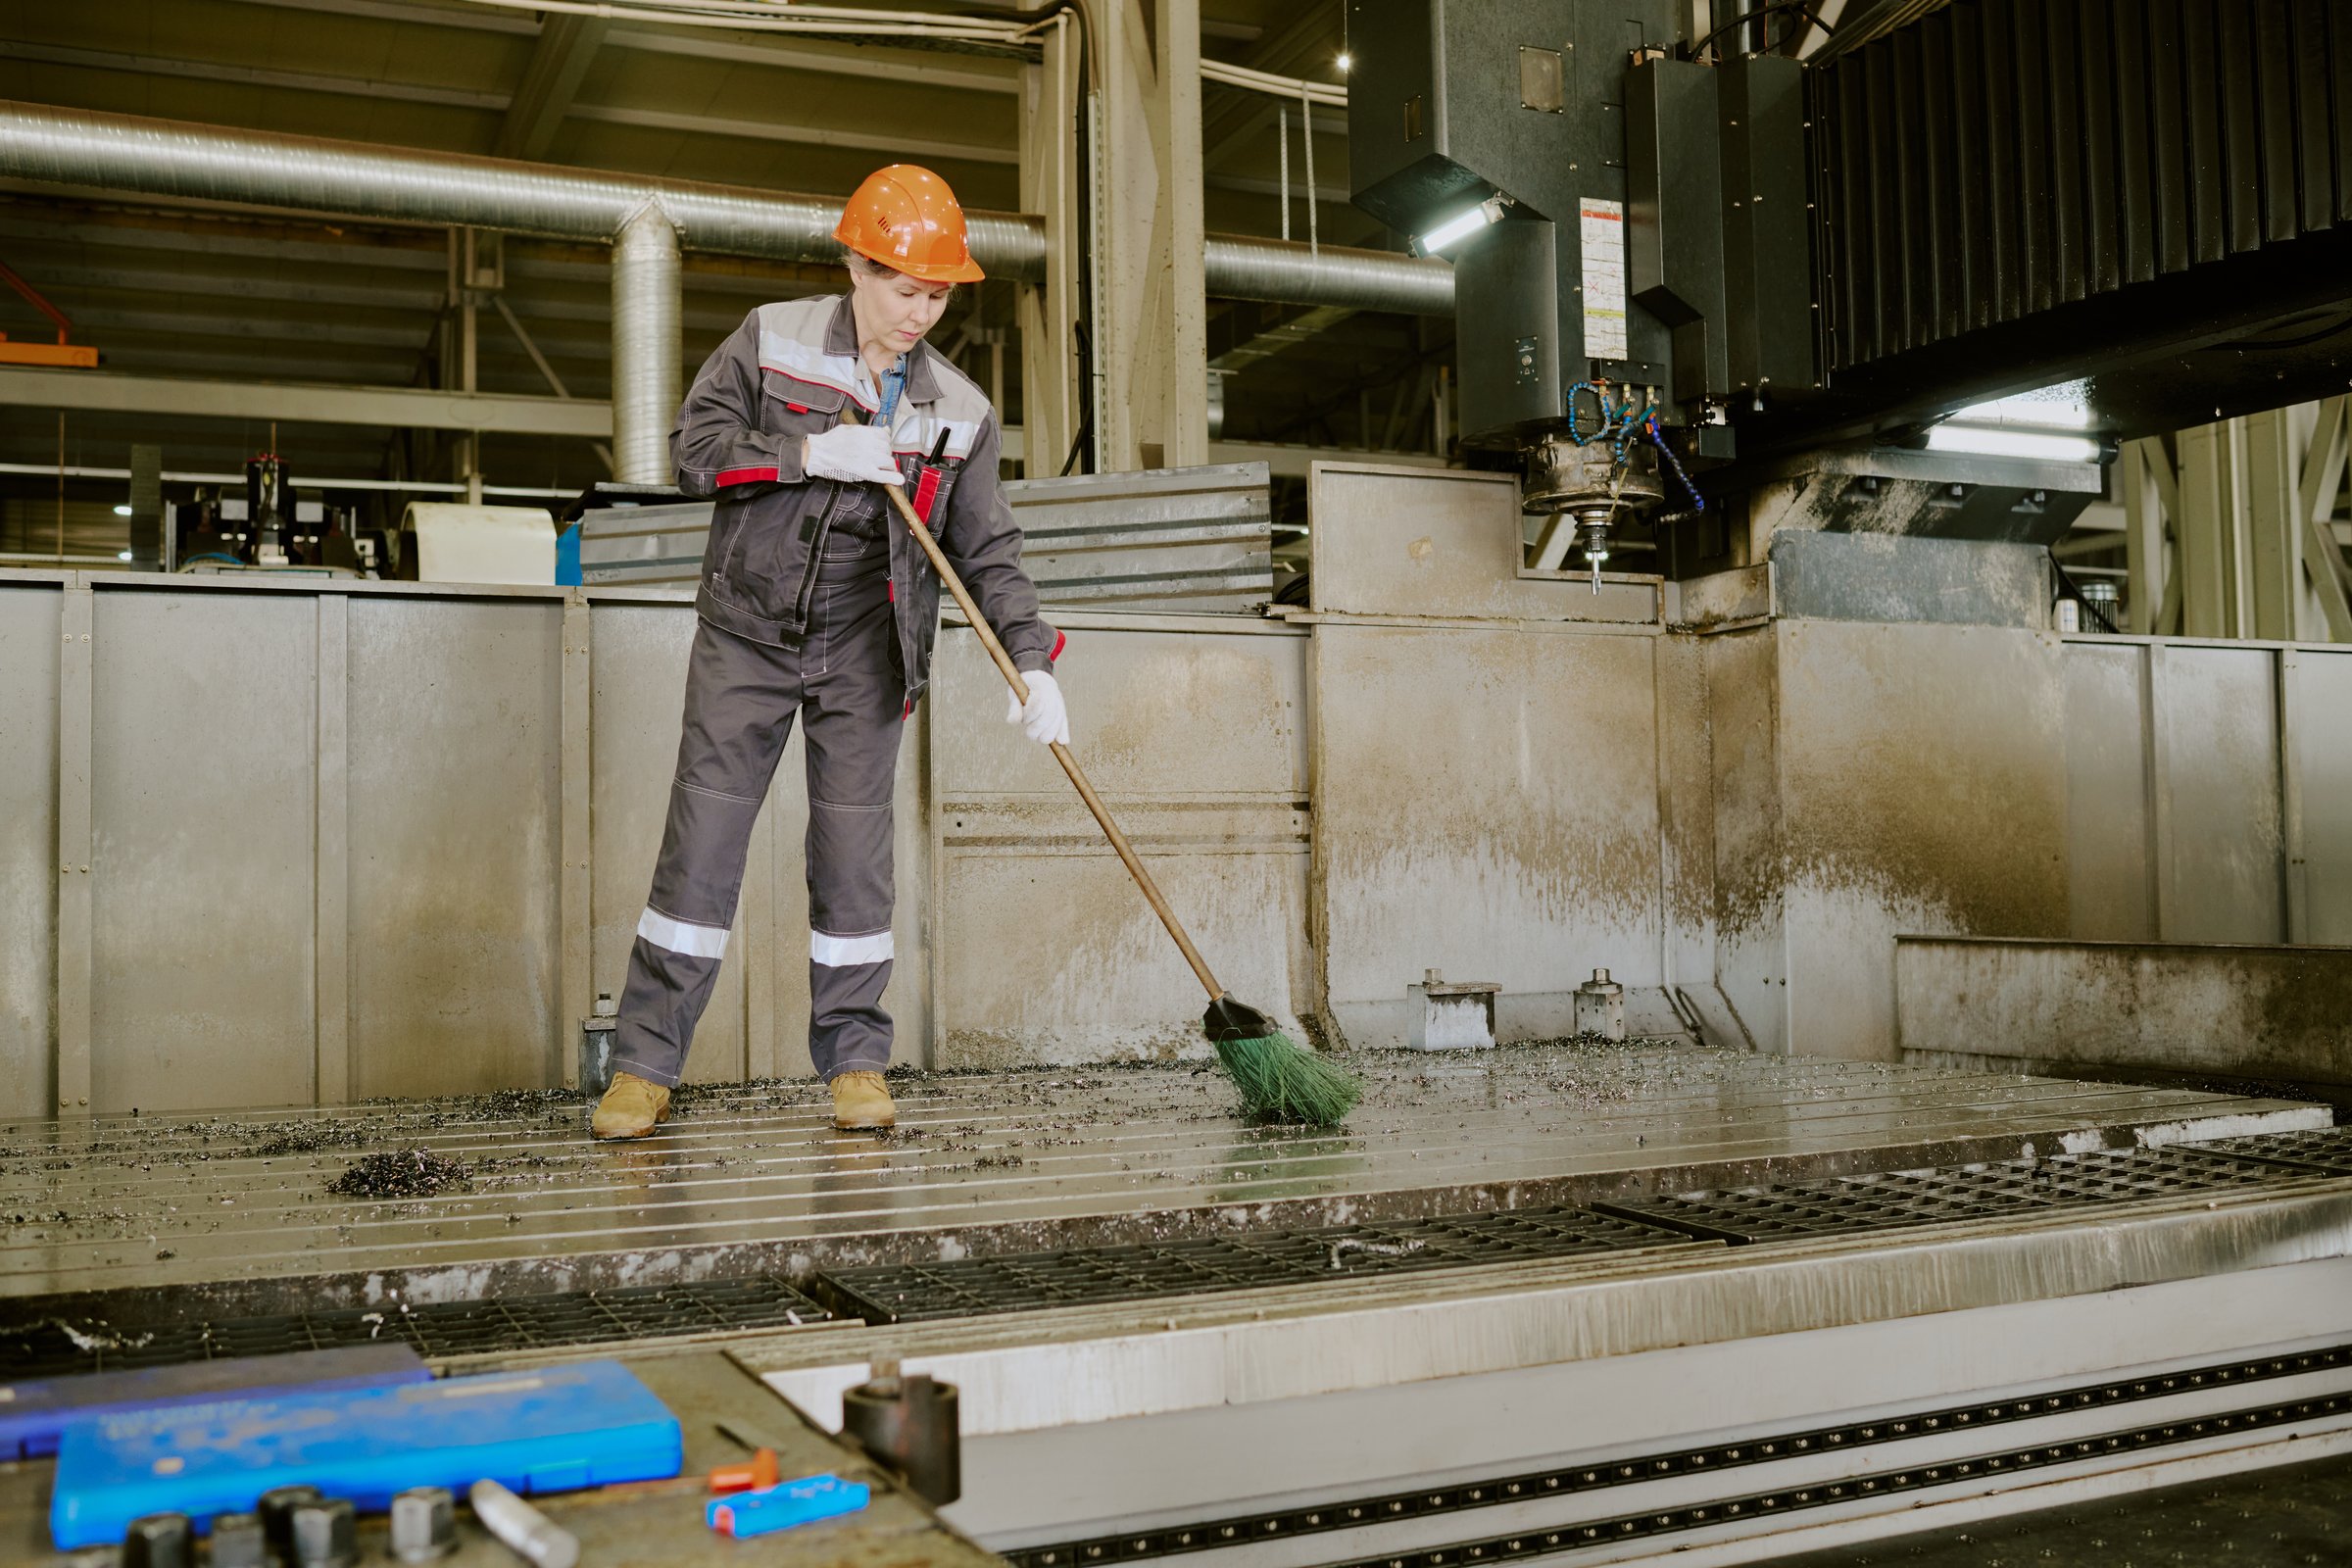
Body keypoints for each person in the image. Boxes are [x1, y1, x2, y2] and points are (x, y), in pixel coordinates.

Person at [591, 165, 1069, 1140]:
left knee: (855, 862)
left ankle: (856, 1059)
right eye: (902, 287)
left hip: (867, 649)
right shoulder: (773, 342)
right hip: (748, 636)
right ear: (855, 265)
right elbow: (693, 449)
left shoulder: (960, 413)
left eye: (937, 293)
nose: (918, 312)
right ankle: (644, 1064)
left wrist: (1035, 661)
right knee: (703, 848)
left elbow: (988, 553)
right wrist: (806, 454)